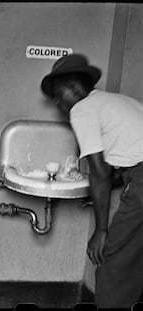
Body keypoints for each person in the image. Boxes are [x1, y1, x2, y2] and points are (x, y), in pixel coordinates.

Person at [40, 53, 143, 309]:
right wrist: (97, 191)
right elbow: (124, 163)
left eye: (58, 94)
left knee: (114, 265)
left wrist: (101, 230)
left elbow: (99, 173)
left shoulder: (82, 109)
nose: (56, 103)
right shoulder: (119, 102)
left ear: (75, 89)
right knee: (136, 259)